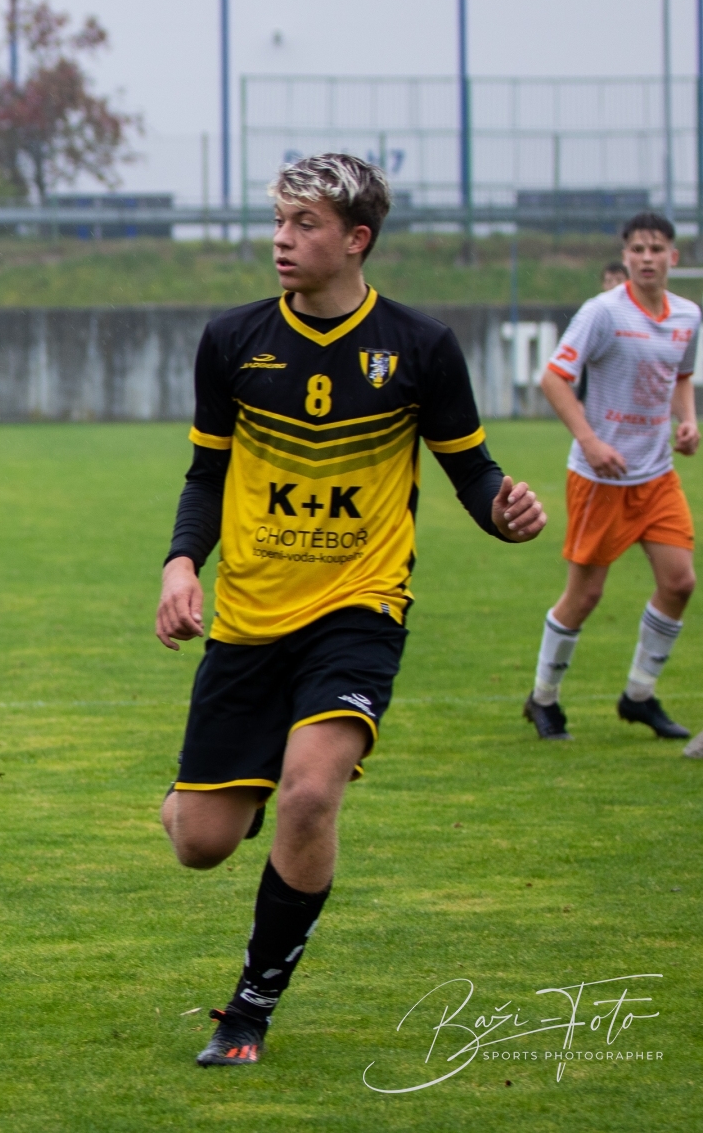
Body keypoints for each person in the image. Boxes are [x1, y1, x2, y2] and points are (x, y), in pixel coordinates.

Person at [154, 152, 546, 1067]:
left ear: (357, 239)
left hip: (360, 607)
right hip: (251, 614)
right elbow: (206, 474)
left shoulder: (420, 346)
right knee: (199, 844)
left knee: (309, 794)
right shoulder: (232, 339)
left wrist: (504, 512)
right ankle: (218, 794)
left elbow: (472, 471)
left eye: (306, 225)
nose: (282, 241)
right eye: (279, 222)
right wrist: (180, 565)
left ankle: (249, 1011)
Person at [524, 212, 700, 749]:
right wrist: (591, 443)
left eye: (657, 249)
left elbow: (681, 376)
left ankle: (639, 695)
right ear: (625, 257)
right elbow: (554, 378)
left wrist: (687, 421)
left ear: (673, 257)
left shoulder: (688, 315)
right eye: (637, 249)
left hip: (657, 475)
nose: (647, 258)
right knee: (585, 596)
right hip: (601, 479)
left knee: (679, 583)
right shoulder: (602, 312)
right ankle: (543, 698)